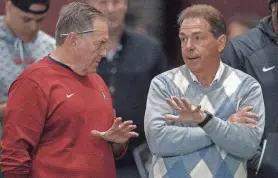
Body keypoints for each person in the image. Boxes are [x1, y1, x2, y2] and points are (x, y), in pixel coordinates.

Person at [0, 2, 138, 178]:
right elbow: (14, 158)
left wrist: (117, 142)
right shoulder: (33, 82)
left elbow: (103, 147)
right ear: (73, 40)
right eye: (100, 43)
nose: (104, 52)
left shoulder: (97, 80)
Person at [144, 4, 265, 178]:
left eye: (198, 38)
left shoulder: (247, 86)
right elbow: (158, 141)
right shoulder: (164, 84)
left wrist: (204, 120)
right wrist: (222, 125)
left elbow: (247, 147)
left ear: (220, 42)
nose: (188, 46)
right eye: (183, 39)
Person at [85, 0, 167, 177]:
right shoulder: (76, 49)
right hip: (84, 157)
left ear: (126, 5)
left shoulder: (149, 49)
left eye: (116, 2)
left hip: (137, 160)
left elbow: (165, 103)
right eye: (103, 3)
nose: (110, 9)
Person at [222, 0, 278, 177]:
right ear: (274, 6)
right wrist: (260, 160)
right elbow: (219, 113)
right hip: (260, 170)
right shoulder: (240, 50)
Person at [0, 0, 55, 122]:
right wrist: (10, 109)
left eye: (40, 20)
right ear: (9, 7)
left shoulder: (51, 48)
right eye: (26, 20)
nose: (33, 27)